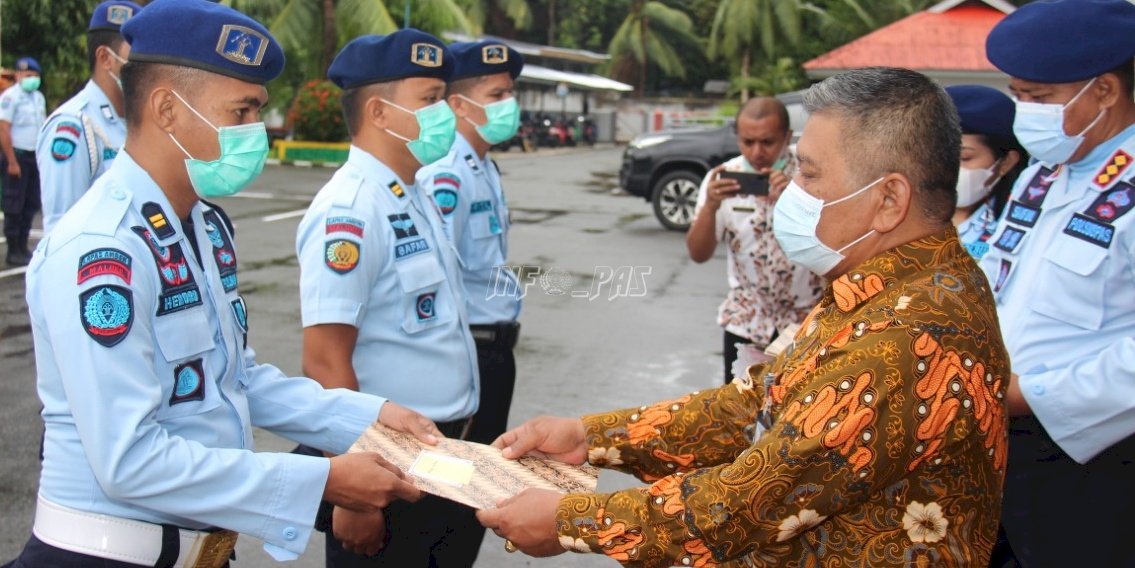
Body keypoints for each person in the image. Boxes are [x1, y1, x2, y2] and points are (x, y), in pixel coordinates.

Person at [478, 67, 1011, 567]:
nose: (789, 188)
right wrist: (590, 436)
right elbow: (758, 403)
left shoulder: (909, 337)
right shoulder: (886, 283)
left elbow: (747, 502)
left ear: (889, 199)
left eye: (807, 171)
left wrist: (569, 520)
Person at [6, 2, 440, 566]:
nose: (254, 132)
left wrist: (368, 417)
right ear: (167, 108)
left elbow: (232, 378)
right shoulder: (102, 247)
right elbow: (130, 461)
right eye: (241, 112)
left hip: (200, 550)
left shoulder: (200, 226)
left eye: (258, 111)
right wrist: (323, 480)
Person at [295, 30, 481, 566]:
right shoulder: (350, 212)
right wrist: (353, 487)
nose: (445, 112)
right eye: (429, 100)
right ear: (378, 112)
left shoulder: (413, 192)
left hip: (445, 457)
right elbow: (325, 360)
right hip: (388, 468)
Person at [979, 1, 1135, 566]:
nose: (1024, 112)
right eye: (1017, 94)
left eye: (1039, 98)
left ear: (1105, 91)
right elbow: (1001, 283)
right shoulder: (1042, 173)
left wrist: (1034, 396)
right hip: (1001, 443)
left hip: (1093, 458)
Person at [417, 41, 523, 445]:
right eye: (496, 95)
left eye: (510, 93)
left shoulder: (483, 166)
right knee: (463, 481)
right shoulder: (448, 174)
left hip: (492, 347)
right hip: (469, 349)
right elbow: (438, 276)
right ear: (459, 106)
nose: (508, 104)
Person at [686, 96, 823, 384]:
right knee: (740, 418)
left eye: (767, 142)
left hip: (806, 323)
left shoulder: (812, 175)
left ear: (787, 137)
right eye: (748, 142)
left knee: (799, 419)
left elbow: (835, 244)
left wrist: (797, 200)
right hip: (746, 323)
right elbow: (698, 254)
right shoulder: (721, 179)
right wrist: (710, 207)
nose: (757, 152)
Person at [38, 0, 141, 235]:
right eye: (136, 58)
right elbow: (61, 229)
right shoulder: (73, 126)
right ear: (105, 58)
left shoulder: (136, 120)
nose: (146, 69)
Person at [944, 85, 1026, 261]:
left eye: (964, 158)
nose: (946, 168)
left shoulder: (1016, 226)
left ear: (1006, 162)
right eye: (936, 156)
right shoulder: (898, 217)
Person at [0, 56, 46, 266]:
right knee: (14, 204)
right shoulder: (11, 97)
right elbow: (4, 129)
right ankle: (13, 250)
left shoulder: (38, 97)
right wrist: (11, 161)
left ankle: (23, 246)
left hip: (34, 157)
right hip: (17, 155)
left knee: (31, 203)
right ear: (18, 76)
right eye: (28, 75)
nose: (32, 79)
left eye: (35, 76)